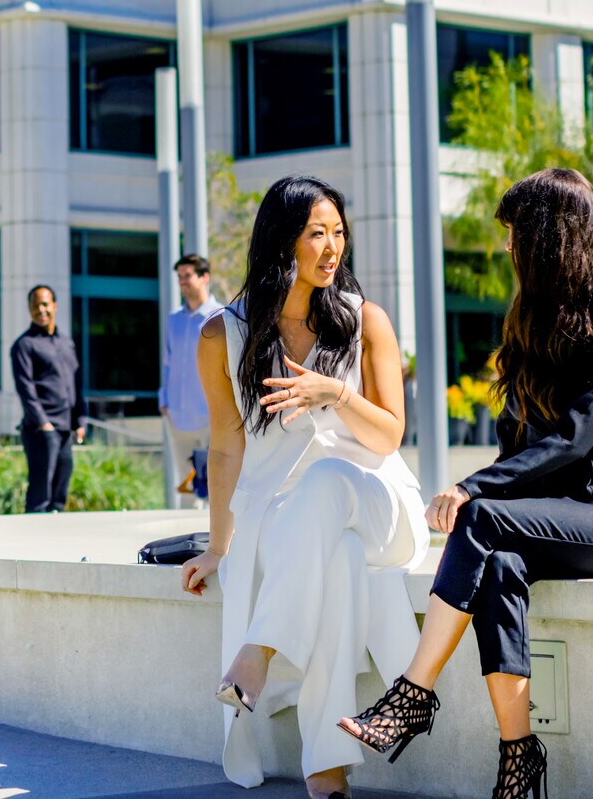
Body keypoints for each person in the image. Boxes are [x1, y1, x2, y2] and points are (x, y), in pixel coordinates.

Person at [338, 168, 593, 799]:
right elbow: (518, 444)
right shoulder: (529, 324)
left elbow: (574, 436)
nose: (509, 247)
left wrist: (471, 488)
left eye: (517, 234)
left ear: (549, 237)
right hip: (555, 514)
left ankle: (412, 695)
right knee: (501, 565)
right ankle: (519, 758)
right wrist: (488, 488)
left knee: (481, 518)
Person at [176, 177, 424, 797]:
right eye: (317, 232)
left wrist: (336, 393)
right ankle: (327, 770)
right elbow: (228, 445)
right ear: (281, 240)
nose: (332, 246)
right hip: (296, 523)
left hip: (378, 505)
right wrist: (217, 545)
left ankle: (257, 651)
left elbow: (391, 434)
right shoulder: (221, 336)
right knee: (335, 560)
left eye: (339, 232)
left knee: (330, 479)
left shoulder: (367, 321)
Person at [11, 284, 84, 513]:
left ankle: (54, 544)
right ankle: (32, 545)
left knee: (60, 494)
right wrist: (44, 423)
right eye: (35, 305)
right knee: (40, 496)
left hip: (65, 429)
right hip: (41, 430)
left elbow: (76, 382)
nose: (40, 309)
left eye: (45, 304)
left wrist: (80, 420)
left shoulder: (67, 342)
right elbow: (26, 389)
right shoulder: (24, 345)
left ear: (55, 306)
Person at [161, 254, 223, 503]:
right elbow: (167, 362)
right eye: (180, 277)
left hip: (210, 415)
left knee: (214, 484)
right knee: (185, 485)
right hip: (177, 414)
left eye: (188, 276)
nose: (183, 282)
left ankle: (215, 540)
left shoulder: (221, 316)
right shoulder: (173, 320)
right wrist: (163, 400)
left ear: (204, 277)